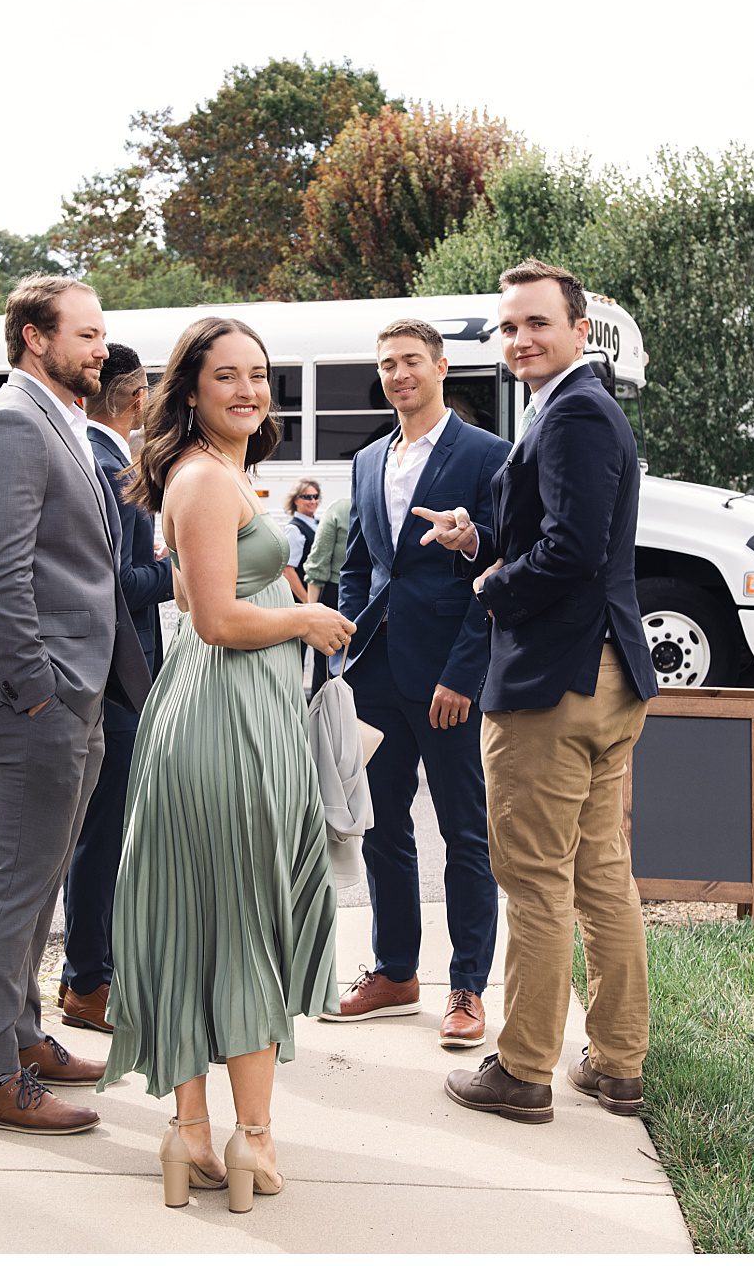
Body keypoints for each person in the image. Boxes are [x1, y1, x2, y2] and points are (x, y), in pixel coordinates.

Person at [100, 316, 356, 1210]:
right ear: (192, 390)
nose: (249, 391)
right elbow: (213, 620)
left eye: (260, 376)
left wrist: (274, 588)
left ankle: (190, 1134)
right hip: (226, 720)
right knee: (244, 917)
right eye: (228, 378)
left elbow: (197, 593)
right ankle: (252, 1141)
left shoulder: (220, 476)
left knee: (201, 919)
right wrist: (306, 619)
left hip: (223, 712)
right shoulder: (207, 480)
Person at [415, 259, 659, 1127]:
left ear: (578, 330)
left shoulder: (577, 412)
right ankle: (618, 1065)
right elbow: (560, 534)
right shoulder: (567, 410)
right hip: (600, 677)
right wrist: (478, 539)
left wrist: (489, 588)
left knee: (536, 881)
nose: (520, 339)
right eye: (510, 326)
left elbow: (573, 553)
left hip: (556, 685)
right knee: (599, 874)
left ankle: (522, 1071)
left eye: (537, 324)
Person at [0, 275, 151, 1136]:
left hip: (75, 691)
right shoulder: (11, 426)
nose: (102, 349)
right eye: (88, 335)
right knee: (13, 883)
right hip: (37, 700)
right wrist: (38, 692)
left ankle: (22, 1038)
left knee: (38, 881)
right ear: (34, 337)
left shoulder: (56, 418)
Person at [320, 318, 510, 1050]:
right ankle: (395, 970)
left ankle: (466, 988)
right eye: (387, 364)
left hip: (449, 677)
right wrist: (346, 642)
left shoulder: (488, 454)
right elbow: (364, 563)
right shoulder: (368, 460)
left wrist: (464, 671)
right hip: (374, 672)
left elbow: (495, 567)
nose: (398, 374)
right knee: (382, 827)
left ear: (440, 366)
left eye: (410, 362)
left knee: (465, 833)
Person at [57, 346, 173, 1035]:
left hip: (113, 675)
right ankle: (89, 982)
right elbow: (115, 585)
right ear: (136, 399)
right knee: (103, 837)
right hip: (117, 678)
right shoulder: (112, 469)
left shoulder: (100, 460)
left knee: (102, 834)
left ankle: (92, 973)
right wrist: (180, 568)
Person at [300, 492, 351, 694]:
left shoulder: (339, 509)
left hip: (336, 593)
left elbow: (317, 564)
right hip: (376, 597)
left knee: (326, 670)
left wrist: (311, 611)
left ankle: (324, 721)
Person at [279, 480, 322, 602]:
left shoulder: (318, 523)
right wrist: (308, 601)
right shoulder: (294, 529)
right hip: (304, 599)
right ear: (295, 500)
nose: (313, 501)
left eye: (315, 496)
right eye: (307, 497)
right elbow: (288, 570)